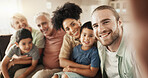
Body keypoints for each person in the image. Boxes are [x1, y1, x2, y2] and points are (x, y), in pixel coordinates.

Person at [91, 5, 137, 78]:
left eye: (106, 22)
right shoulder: (100, 44)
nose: (100, 30)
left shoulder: (135, 49)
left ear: (119, 22)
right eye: (95, 26)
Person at [52, 3, 94, 77]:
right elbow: (62, 62)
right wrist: (78, 67)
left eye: (73, 24)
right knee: (55, 76)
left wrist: (74, 68)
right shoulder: (67, 37)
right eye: (67, 29)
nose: (72, 30)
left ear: (79, 21)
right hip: (73, 71)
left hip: (86, 72)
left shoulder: (90, 33)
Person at [5, 13, 45, 78]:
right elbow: (7, 52)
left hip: (32, 62)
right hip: (18, 60)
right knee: (4, 67)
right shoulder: (16, 35)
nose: (21, 23)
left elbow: (37, 56)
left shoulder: (38, 35)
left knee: (10, 69)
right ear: (13, 26)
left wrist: (15, 61)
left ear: (26, 20)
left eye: (22, 20)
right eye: (17, 22)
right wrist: (16, 58)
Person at [32, 12, 65, 78]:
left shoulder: (63, 32)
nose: (42, 28)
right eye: (39, 26)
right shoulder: (42, 36)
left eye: (44, 23)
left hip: (59, 70)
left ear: (52, 21)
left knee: (39, 76)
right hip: (44, 67)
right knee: (19, 73)